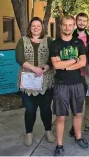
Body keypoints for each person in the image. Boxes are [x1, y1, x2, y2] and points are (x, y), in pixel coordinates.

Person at [50, 15, 89, 156]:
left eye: (70, 25)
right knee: (60, 117)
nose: (67, 27)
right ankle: (59, 145)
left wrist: (65, 66)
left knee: (78, 113)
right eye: (65, 25)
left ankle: (78, 138)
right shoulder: (55, 44)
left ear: (74, 26)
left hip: (77, 83)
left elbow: (83, 62)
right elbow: (55, 64)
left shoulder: (79, 43)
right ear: (61, 26)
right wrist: (74, 59)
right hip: (61, 85)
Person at [15, 17, 55, 146]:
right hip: (27, 81)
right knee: (30, 109)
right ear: (30, 28)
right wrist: (34, 69)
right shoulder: (23, 41)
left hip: (46, 80)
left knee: (45, 109)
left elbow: (52, 58)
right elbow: (19, 58)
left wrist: (45, 68)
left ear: (42, 28)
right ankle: (29, 133)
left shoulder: (49, 40)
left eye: (38, 26)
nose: (36, 28)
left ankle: (48, 131)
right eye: (33, 26)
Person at [69, 12, 89, 137]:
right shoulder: (70, 35)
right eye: (80, 20)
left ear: (87, 22)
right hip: (75, 74)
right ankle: (75, 126)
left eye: (84, 21)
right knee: (77, 101)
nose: (82, 23)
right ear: (76, 21)